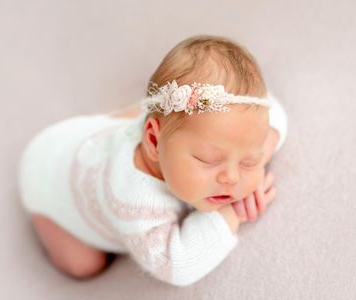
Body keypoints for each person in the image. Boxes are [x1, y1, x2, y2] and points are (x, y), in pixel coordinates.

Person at [17, 34, 288, 286]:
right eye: (208, 160)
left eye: (247, 161)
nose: (232, 177)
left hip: (78, 139)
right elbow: (175, 265)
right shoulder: (133, 200)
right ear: (154, 142)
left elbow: (271, 109)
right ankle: (44, 223)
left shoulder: (203, 132)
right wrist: (230, 215)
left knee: (163, 116)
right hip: (46, 183)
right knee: (85, 265)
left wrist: (262, 149)